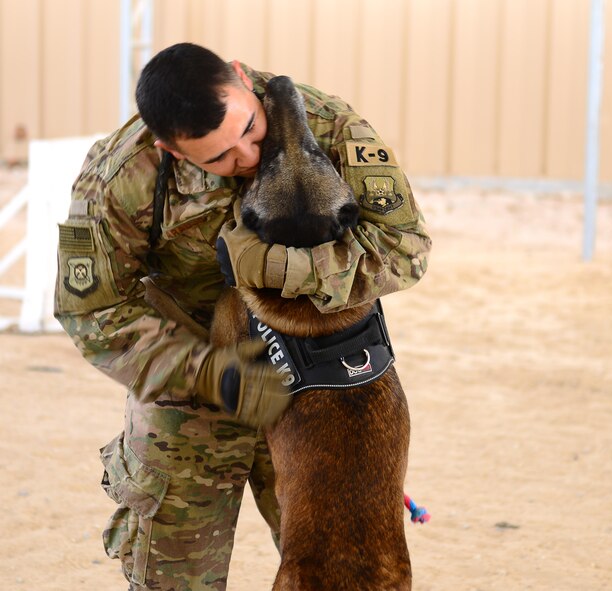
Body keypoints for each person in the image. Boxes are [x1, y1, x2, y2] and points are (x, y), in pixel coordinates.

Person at [54, 42, 430, 591]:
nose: (249, 157)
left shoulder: (326, 125)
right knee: (174, 582)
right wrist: (213, 375)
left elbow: (405, 248)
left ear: (238, 76)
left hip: (319, 395)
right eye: (220, 158)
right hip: (192, 389)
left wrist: (281, 268)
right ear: (171, 149)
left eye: (251, 129)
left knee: (342, 579)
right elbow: (92, 310)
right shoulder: (119, 176)